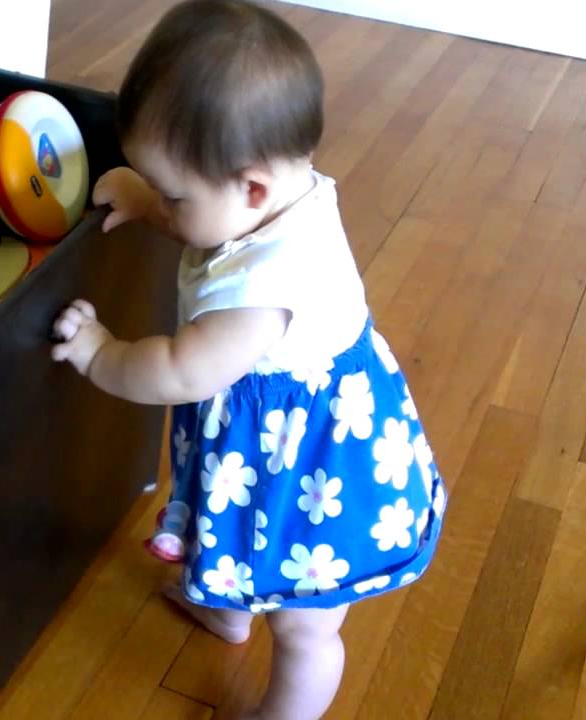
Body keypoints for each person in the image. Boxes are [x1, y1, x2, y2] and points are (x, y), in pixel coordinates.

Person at [49, 1, 446, 717]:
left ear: (252, 186)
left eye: (174, 193)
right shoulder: (270, 196)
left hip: (319, 470)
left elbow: (181, 371)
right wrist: (151, 201)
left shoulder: (267, 291)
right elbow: (215, 225)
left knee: (306, 627)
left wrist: (99, 352)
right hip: (267, 439)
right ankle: (231, 609)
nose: (169, 205)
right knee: (231, 523)